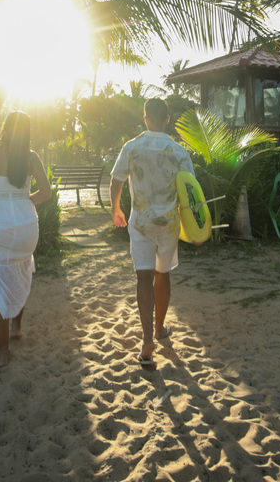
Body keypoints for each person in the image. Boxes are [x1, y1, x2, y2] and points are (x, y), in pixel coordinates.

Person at [109, 98, 195, 368]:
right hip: (169, 222)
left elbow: (116, 180)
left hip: (141, 222)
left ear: (145, 117)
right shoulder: (178, 151)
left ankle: (147, 339)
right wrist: (194, 227)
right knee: (163, 274)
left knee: (143, 277)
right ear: (167, 119)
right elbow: (191, 190)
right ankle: (159, 330)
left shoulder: (132, 146)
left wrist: (115, 210)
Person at [0, 111, 53, 368]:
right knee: (20, 271)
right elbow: (46, 192)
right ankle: (16, 326)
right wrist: (26, 201)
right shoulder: (30, 157)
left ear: (5, 128)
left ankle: (3, 352)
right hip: (26, 225)